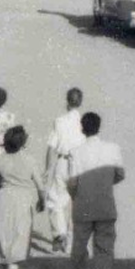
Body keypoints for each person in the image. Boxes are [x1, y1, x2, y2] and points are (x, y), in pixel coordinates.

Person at [69, 112, 125, 269]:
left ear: (82, 128)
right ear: (99, 127)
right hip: (106, 204)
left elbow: (72, 182)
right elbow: (120, 174)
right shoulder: (113, 149)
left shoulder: (76, 152)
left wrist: (75, 196)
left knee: (80, 245)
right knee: (105, 245)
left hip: (83, 204)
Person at [0, 126, 45, 269]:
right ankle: (12, 262)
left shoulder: (0, 159)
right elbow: (40, 184)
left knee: (3, 230)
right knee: (20, 231)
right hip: (23, 197)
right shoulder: (30, 160)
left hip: (4, 195)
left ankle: (5, 260)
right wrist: (42, 200)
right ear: (23, 142)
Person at [46, 88, 87, 254]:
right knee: (75, 204)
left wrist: (48, 168)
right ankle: (70, 241)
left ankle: (59, 233)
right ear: (80, 102)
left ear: (67, 100)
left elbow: (51, 147)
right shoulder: (84, 122)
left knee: (55, 199)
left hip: (63, 162)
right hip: (81, 165)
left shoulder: (59, 121)